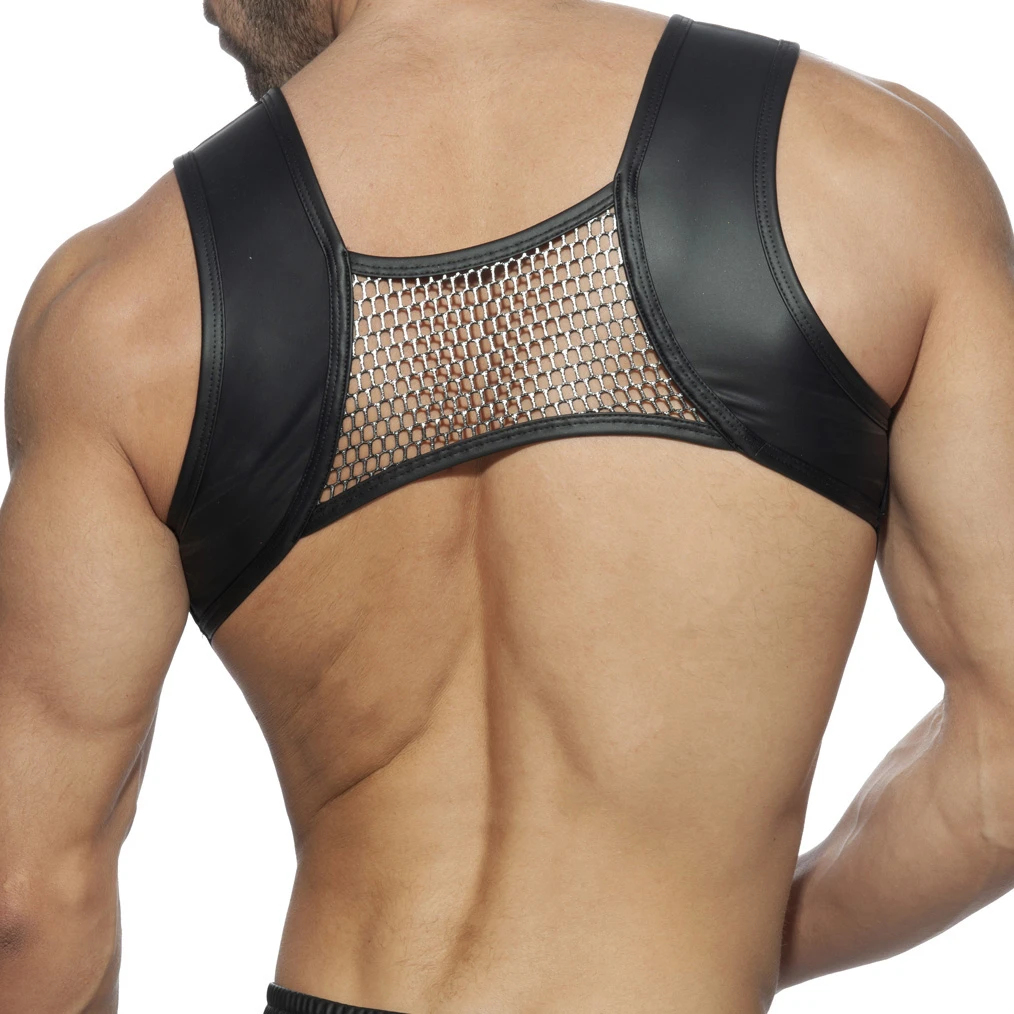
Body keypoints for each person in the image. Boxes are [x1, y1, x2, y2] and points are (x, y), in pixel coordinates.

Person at [1, 0, 1012, 1011]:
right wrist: (733, 943)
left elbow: (28, 903)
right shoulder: (868, 173)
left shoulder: (123, 306)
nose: (206, 4)